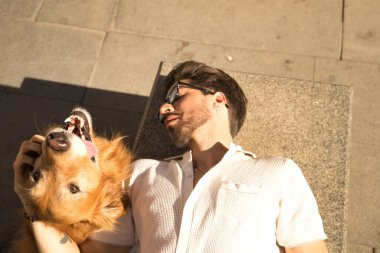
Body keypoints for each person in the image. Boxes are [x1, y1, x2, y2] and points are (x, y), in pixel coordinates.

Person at [13, 61, 328, 253]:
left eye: (177, 94)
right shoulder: (142, 174)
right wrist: (30, 202)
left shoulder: (277, 173)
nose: (164, 108)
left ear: (218, 99)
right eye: (164, 104)